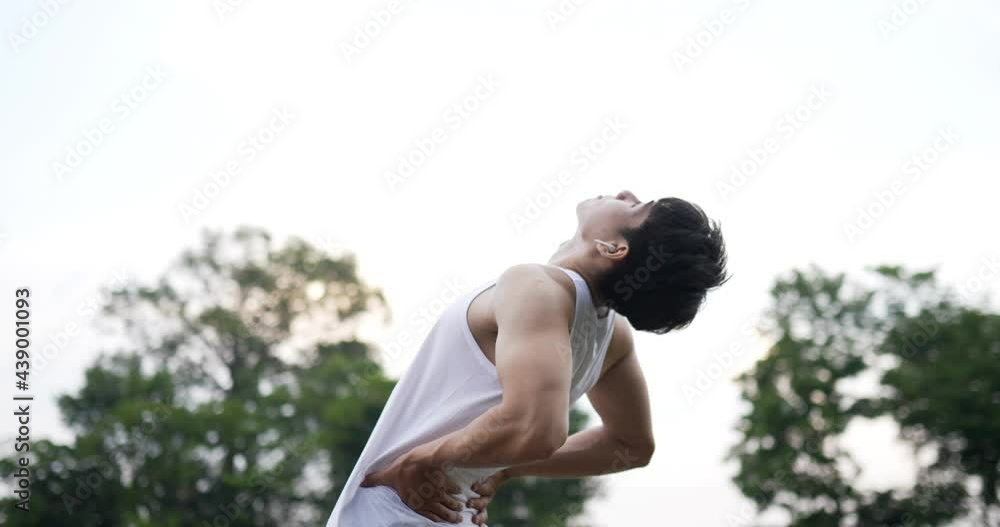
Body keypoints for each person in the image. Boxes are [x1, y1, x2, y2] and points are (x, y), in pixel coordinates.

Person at [327, 190, 729, 526]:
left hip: (394, 513)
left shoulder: (536, 286)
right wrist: (506, 464)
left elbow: (538, 428)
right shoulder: (612, 336)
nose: (625, 194)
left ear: (613, 248)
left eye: (637, 207)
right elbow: (630, 445)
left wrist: (423, 461)